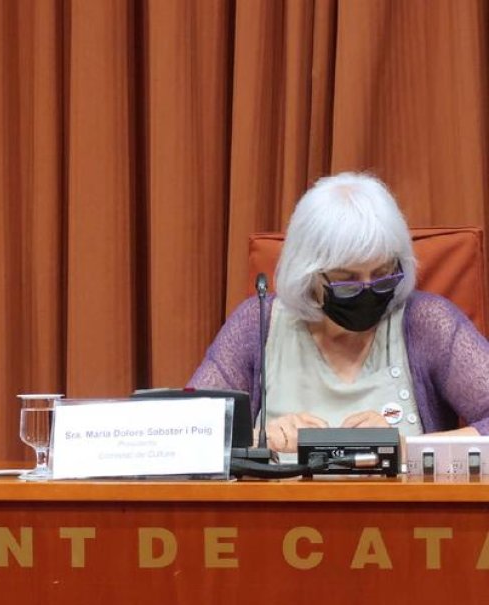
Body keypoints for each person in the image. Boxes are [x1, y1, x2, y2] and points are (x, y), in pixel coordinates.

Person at [189, 172, 489, 454]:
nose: (368, 290)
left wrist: (404, 446)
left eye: (383, 275)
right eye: (347, 281)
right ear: (308, 275)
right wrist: (256, 439)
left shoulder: (428, 323)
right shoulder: (257, 324)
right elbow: (184, 429)